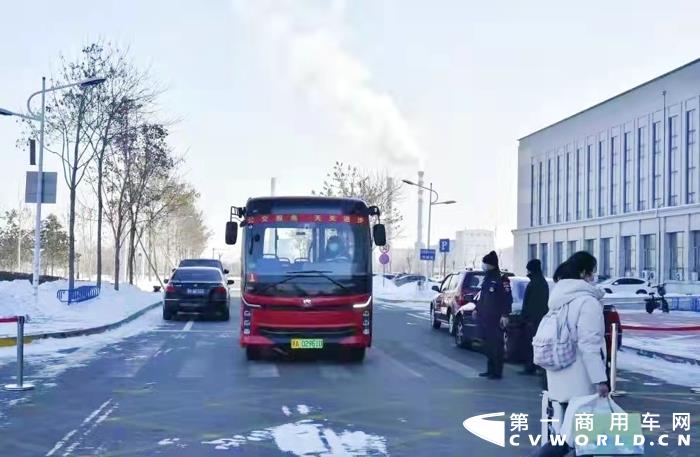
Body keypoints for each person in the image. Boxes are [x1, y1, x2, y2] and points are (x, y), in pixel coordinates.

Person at [531, 251, 609, 457]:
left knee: (565, 434)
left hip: (558, 377)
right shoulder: (587, 302)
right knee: (580, 439)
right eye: (592, 272)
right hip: (580, 379)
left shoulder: (558, 298)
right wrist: (600, 379)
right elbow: (589, 344)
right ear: (584, 273)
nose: (594, 277)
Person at [474, 250, 512, 380]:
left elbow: (507, 298)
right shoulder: (487, 278)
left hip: (496, 318)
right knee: (488, 345)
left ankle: (497, 371)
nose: (483, 265)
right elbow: (483, 297)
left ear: (491, 265)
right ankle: (490, 369)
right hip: (485, 318)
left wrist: (505, 315)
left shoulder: (502, 279)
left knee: (497, 345)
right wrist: (477, 309)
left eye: (485, 263)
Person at [519, 258, 549, 375]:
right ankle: (532, 366)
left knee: (531, 344)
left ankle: (531, 367)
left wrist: (526, 317)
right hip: (537, 319)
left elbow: (531, 303)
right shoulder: (540, 282)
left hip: (533, 320)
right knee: (532, 344)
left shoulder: (536, 283)